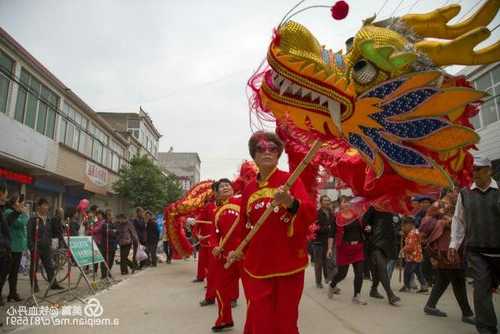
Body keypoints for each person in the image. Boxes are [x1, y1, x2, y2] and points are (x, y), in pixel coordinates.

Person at [228, 131, 315, 334]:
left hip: (288, 263)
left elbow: (310, 213)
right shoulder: (249, 189)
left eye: (272, 148)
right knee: (260, 317)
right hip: (257, 264)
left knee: (285, 320)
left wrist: (291, 203)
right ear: (254, 156)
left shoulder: (290, 180)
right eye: (261, 149)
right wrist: (238, 249)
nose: (267, 152)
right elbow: (244, 224)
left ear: (278, 154)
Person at [449, 155, 500, 334]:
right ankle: (487, 328)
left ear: (490, 170)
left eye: (479, 169)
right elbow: (458, 221)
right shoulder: (465, 194)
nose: (475, 173)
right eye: (473, 170)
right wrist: (454, 245)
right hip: (476, 251)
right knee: (481, 290)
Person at [423, 193, 474, 325]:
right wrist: (444, 222)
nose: (457, 193)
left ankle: (430, 305)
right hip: (445, 248)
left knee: (443, 279)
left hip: (453, 246)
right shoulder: (440, 204)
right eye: (456, 190)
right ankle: (467, 313)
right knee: (458, 278)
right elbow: (426, 222)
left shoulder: (459, 203)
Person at [210, 178, 242, 332]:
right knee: (221, 288)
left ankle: (257, 324)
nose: (225, 187)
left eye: (227, 185)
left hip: (244, 253)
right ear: (216, 193)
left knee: (253, 291)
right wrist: (215, 247)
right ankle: (225, 319)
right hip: (224, 257)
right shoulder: (216, 212)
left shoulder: (242, 201)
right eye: (221, 186)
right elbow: (213, 235)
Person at [327, 197, 367, 305]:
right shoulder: (336, 218)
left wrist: (367, 228)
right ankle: (332, 285)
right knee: (342, 274)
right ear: (339, 205)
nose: (347, 203)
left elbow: (362, 228)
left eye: (348, 201)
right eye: (344, 202)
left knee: (359, 273)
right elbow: (331, 234)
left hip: (358, 247)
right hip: (344, 249)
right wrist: (330, 248)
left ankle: (356, 296)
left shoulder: (356, 215)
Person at [363, 206, 401, 305]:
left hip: (389, 243)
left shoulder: (392, 208)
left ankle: (373, 290)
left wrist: (397, 231)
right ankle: (390, 295)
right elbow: (363, 222)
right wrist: (369, 229)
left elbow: (397, 223)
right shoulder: (373, 207)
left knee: (377, 271)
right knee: (382, 268)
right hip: (376, 242)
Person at [27, 198, 64, 292]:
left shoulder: (49, 220)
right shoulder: (33, 219)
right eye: (44, 205)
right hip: (36, 247)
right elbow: (29, 234)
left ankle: (53, 284)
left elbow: (52, 233)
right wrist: (31, 247)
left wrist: (52, 244)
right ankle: (34, 286)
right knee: (34, 268)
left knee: (49, 266)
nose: (47, 208)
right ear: (39, 207)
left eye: (47, 206)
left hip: (47, 247)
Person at [1, 195, 26, 303]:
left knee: (14, 273)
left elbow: (24, 222)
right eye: (17, 201)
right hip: (11, 247)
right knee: (4, 272)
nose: (19, 203)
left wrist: (22, 212)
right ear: (12, 203)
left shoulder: (18, 212)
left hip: (18, 246)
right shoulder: (7, 212)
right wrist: (21, 213)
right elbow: (20, 223)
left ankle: (12, 293)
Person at [311, 195, 335, 289]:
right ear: (321, 202)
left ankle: (328, 279)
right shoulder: (317, 213)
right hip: (318, 242)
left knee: (328, 262)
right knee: (319, 264)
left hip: (329, 242)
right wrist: (327, 228)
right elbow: (314, 228)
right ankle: (318, 282)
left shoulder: (332, 214)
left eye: (328, 200)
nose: (327, 202)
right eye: (325, 200)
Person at [400, 217, 428, 293]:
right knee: (418, 272)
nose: (403, 228)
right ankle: (424, 286)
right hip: (417, 257)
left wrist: (403, 249)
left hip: (412, 257)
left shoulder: (412, 234)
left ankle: (407, 286)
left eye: (404, 226)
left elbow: (410, 246)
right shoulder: (414, 232)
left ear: (410, 225)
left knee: (407, 272)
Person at [101, 209, 118, 279]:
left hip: (113, 245)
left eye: (112, 215)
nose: (112, 216)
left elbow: (117, 232)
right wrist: (113, 232)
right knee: (105, 260)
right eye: (110, 215)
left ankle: (108, 272)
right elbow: (110, 233)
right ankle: (104, 274)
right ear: (107, 216)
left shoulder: (113, 223)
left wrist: (114, 232)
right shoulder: (104, 224)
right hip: (106, 245)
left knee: (111, 260)